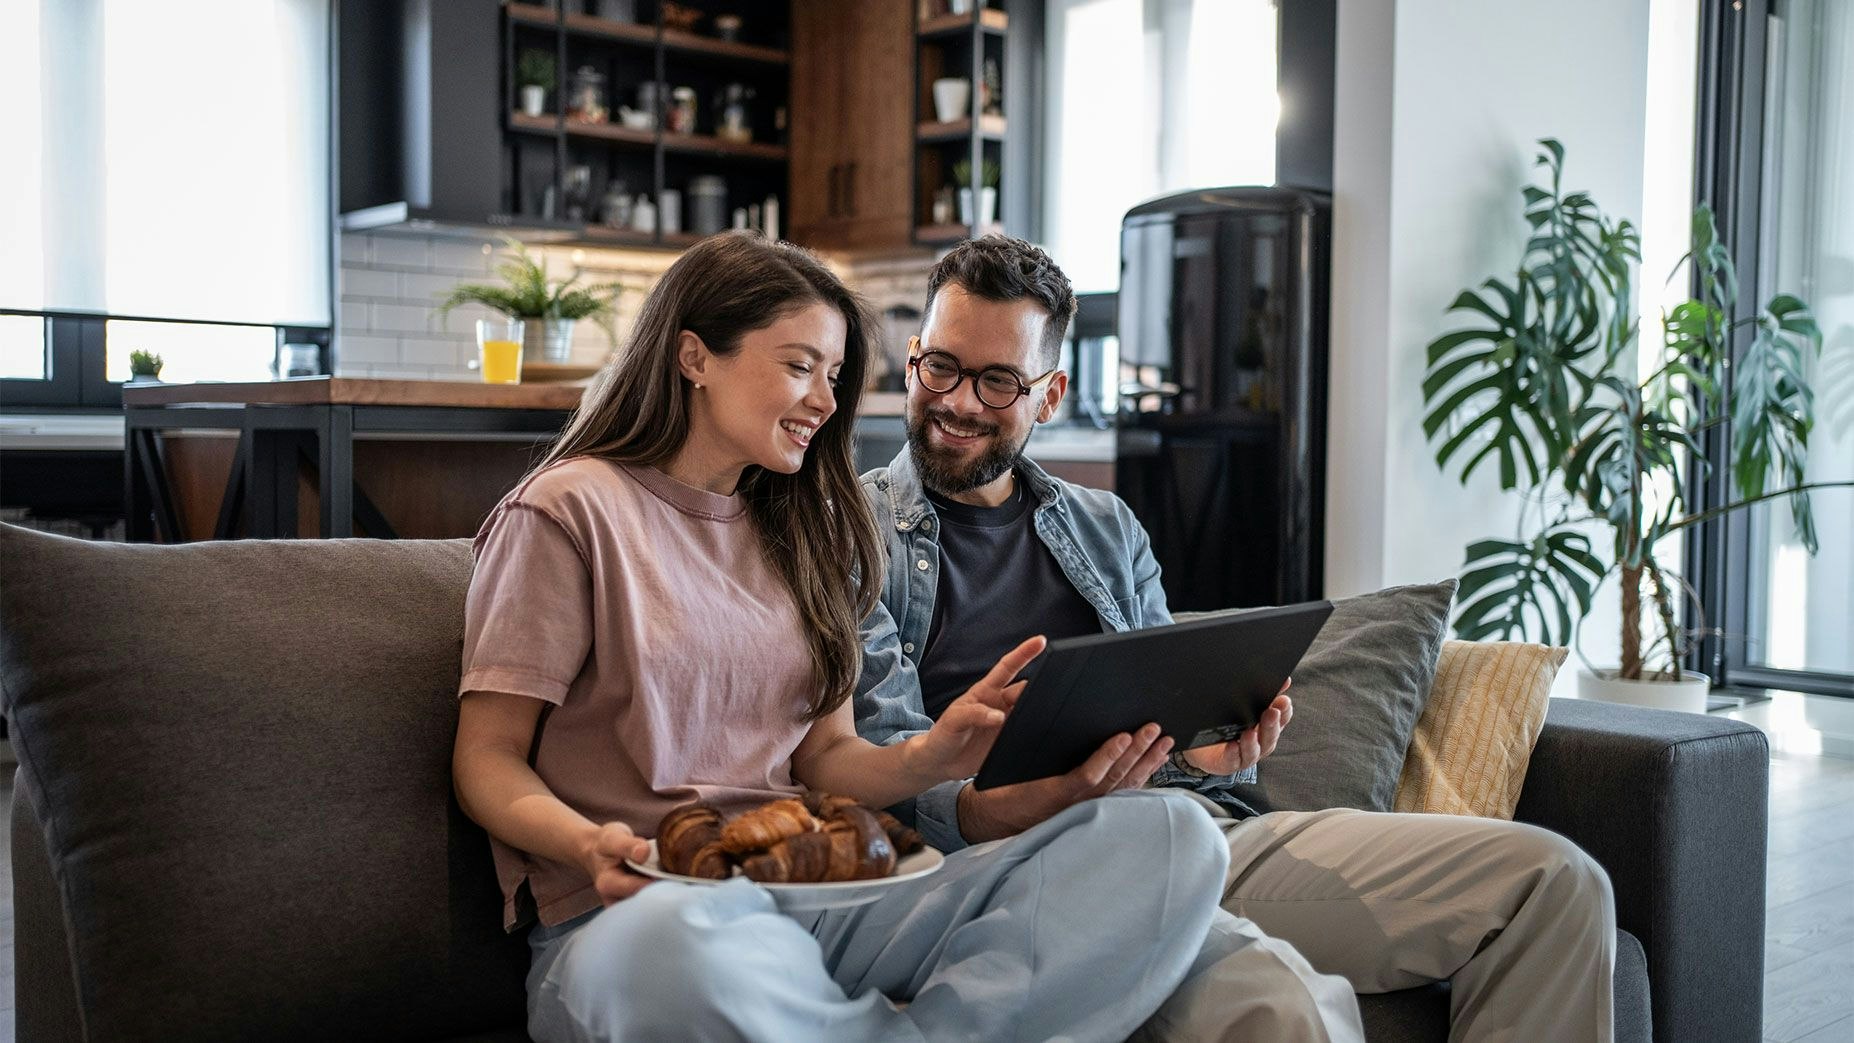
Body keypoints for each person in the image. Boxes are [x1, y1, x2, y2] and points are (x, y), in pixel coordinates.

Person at [452, 230, 1246, 1043]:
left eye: (834, 376)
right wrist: (589, 844)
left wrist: (939, 753)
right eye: (800, 366)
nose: (827, 402)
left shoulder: (803, 529)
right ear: (695, 356)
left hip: (825, 897)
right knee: (676, 953)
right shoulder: (566, 511)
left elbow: (824, 760)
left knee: (1170, 836)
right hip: (637, 912)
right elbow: (487, 757)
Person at [855, 234, 1620, 1042]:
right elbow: (882, 772)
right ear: (911, 358)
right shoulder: (852, 530)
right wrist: (993, 807)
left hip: (1191, 831)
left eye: (998, 380)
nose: (959, 401)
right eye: (939, 365)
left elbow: (1160, 720)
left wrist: (1205, 752)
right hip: (1027, 874)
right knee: (1291, 1017)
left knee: (1556, 882)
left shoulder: (1106, 527)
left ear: (1050, 395)